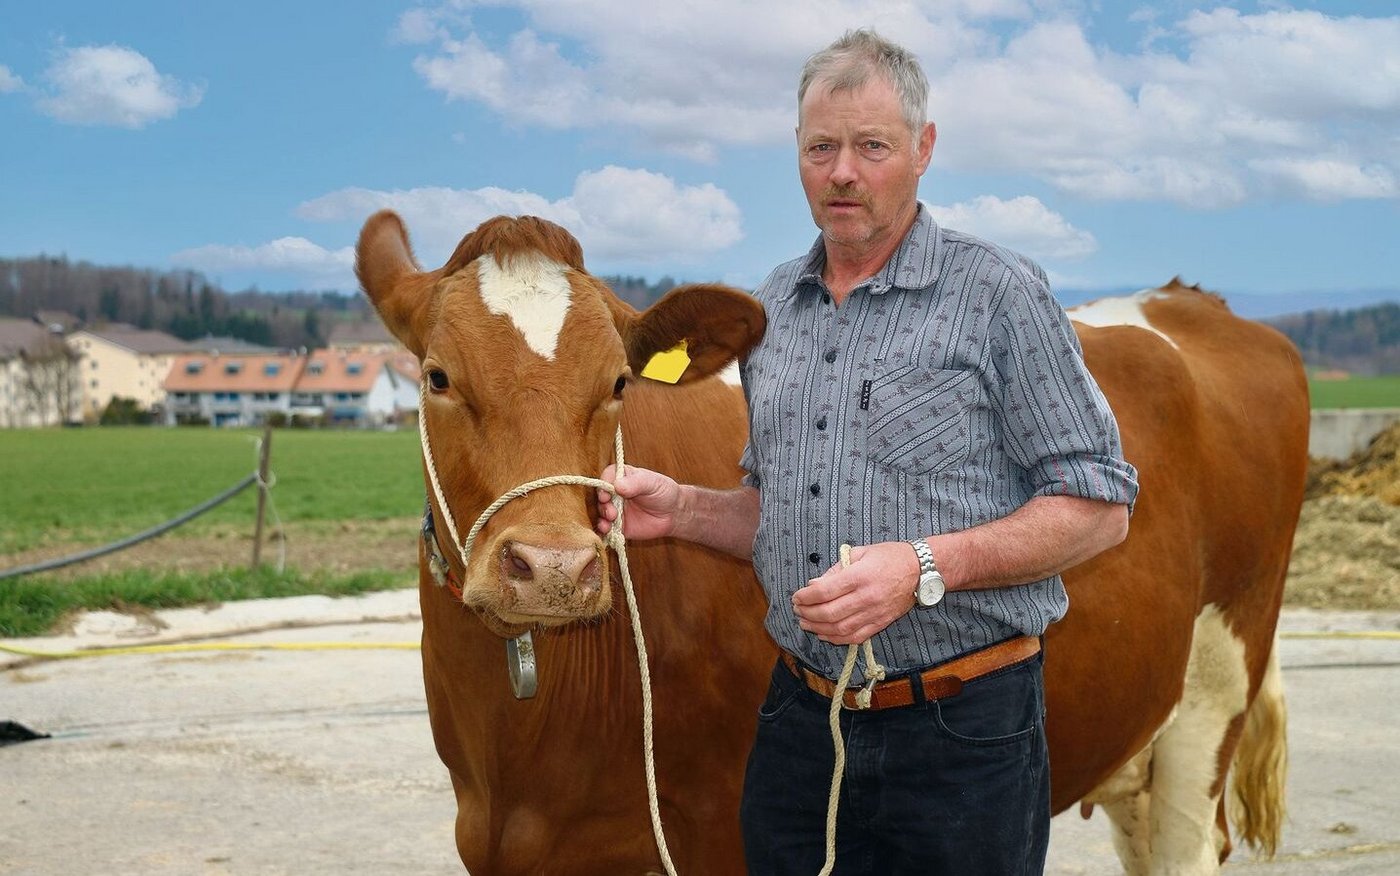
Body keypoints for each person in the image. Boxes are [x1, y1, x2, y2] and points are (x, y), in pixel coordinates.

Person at [596, 28, 1139, 876]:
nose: (843, 171)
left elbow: (1099, 507)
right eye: (821, 148)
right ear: (799, 157)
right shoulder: (771, 308)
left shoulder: (997, 293)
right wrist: (685, 510)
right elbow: (784, 515)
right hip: (800, 728)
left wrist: (923, 565)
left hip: (964, 732)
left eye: (871, 146)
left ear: (922, 150)